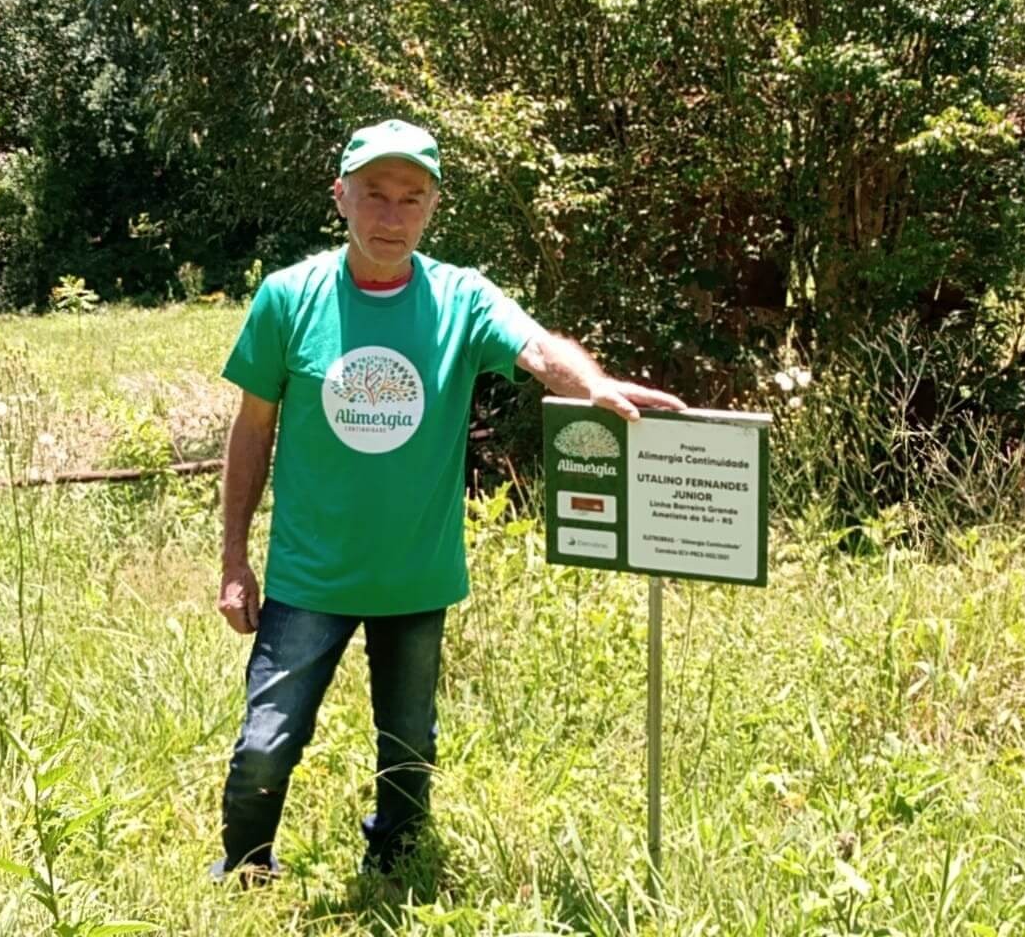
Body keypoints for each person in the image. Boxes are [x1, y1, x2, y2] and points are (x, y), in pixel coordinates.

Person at [212, 118, 684, 884]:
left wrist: (591, 384)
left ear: (432, 207)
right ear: (340, 197)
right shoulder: (286, 298)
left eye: (411, 198)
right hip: (308, 577)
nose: (391, 216)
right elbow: (252, 430)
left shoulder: (460, 298)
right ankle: (244, 870)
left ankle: (395, 864)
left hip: (415, 576)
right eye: (374, 195)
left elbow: (535, 348)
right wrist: (235, 561)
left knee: (408, 743)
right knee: (267, 739)